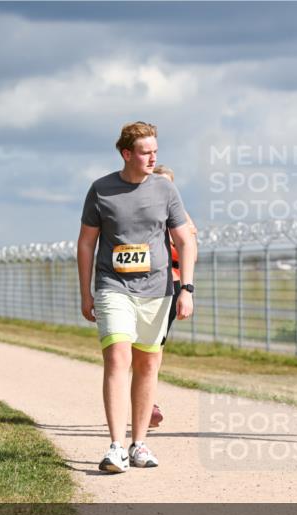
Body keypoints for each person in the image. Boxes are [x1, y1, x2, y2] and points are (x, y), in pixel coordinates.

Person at [78, 122, 196, 473]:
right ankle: (116, 446)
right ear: (127, 154)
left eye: (155, 151)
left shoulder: (165, 190)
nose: (152, 157)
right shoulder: (101, 190)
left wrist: (186, 289)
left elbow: (186, 240)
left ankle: (139, 444)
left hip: (158, 290)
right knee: (117, 359)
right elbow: (86, 243)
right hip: (113, 286)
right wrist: (86, 291)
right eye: (145, 152)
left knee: (147, 365)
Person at [148, 164, 199, 428]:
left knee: (155, 346)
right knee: (138, 347)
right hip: (142, 285)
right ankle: (143, 400)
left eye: (169, 183)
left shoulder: (182, 219)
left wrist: (187, 291)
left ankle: (148, 402)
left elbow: (191, 253)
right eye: (159, 181)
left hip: (172, 283)